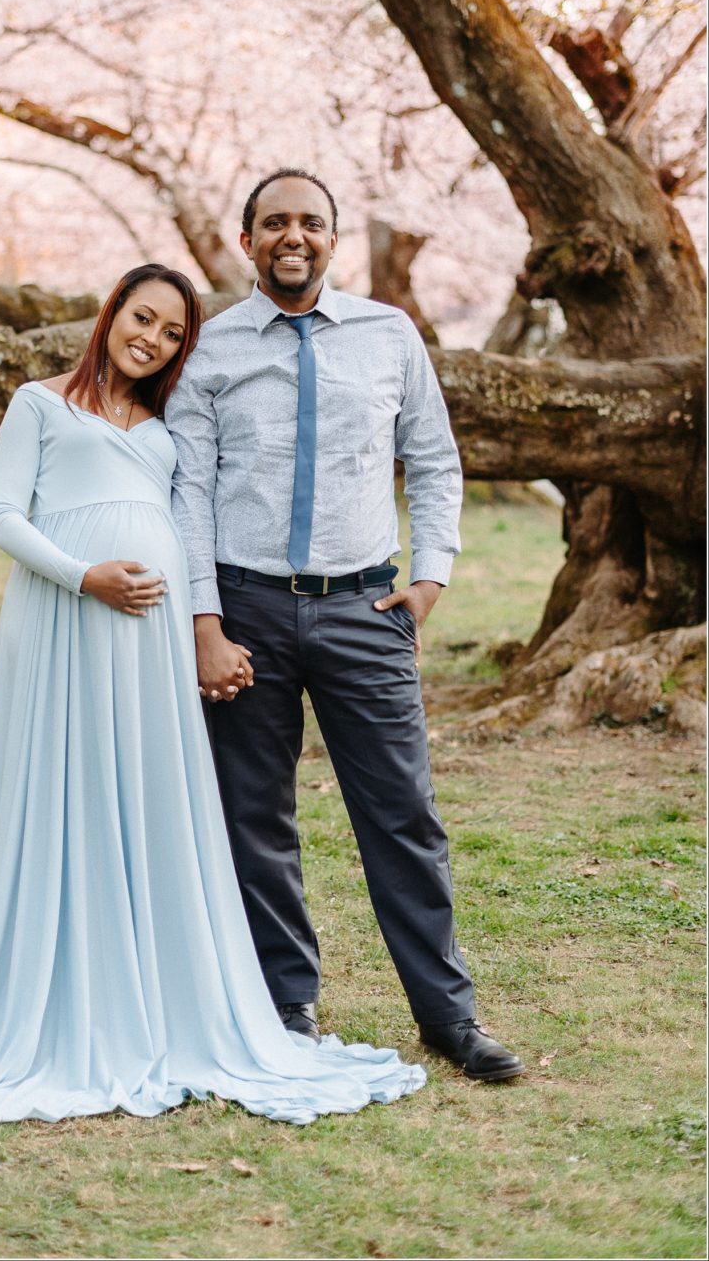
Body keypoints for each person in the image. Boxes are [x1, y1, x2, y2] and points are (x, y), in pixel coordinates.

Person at [0, 263, 426, 1124]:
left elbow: (190, 508)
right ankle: (75, 993)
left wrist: (201, 627)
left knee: (151, 799)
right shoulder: (39, 403)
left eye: (173, 333)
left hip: (149, 641)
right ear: (113, 313)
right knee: (77, 794)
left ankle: (160, 990)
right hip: (66, 623)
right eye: (144, 318)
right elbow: (2, 517)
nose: (154, 340)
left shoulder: (164, 420)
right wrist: (84, 575)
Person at [165, 173, 524, 1082]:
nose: (294, 236)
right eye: (275, 222)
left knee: (402, 815)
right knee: (255, 815)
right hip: (244, 608)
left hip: (366, 609)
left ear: (333, 240)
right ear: (247, 240)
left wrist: (431, 575)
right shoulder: (207, 350)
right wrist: (204, 619)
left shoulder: (388, 335)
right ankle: (284, 1005)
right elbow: (189, 494)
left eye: (311, 223)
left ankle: (448, 1016)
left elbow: (434, 461)